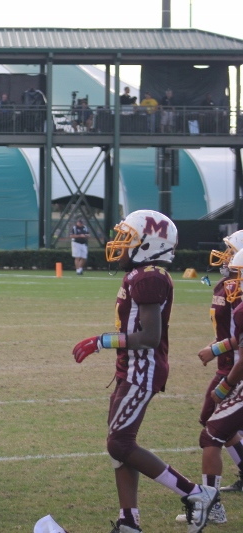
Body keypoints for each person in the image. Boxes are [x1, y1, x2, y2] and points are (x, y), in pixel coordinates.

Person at [72, 209, 218, 533]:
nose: (119, 245)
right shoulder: (140, 274)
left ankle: (196, 493)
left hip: (143, 369)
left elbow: (149, 337)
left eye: (128, 239)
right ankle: (129, 521)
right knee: (119, 443)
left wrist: (101, 341)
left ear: (149, 245)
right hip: (131, 368)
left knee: (119, 443)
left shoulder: (149, 277)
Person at [197, 231, 243, 495]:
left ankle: (210, 502)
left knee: (213, 424)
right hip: (228, 363)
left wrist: (215, 349)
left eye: (230, 251)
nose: (225, 256)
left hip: (235, 367)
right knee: (217, 423)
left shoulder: (238, 289)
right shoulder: (226, 284)